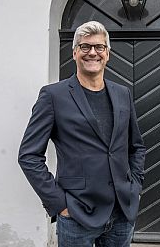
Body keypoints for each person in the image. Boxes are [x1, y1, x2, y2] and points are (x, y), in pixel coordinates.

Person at [18, 21, 146, 247]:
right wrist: (59, 204)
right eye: (85, 47)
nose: (93, 53)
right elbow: (29, 155)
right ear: (75, 52)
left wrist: (134, 186)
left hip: (121, 214)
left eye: (99, 47)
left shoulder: (122, 93)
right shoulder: (53, 96)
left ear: (108, 53)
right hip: (77, 215)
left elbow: (136, 147)